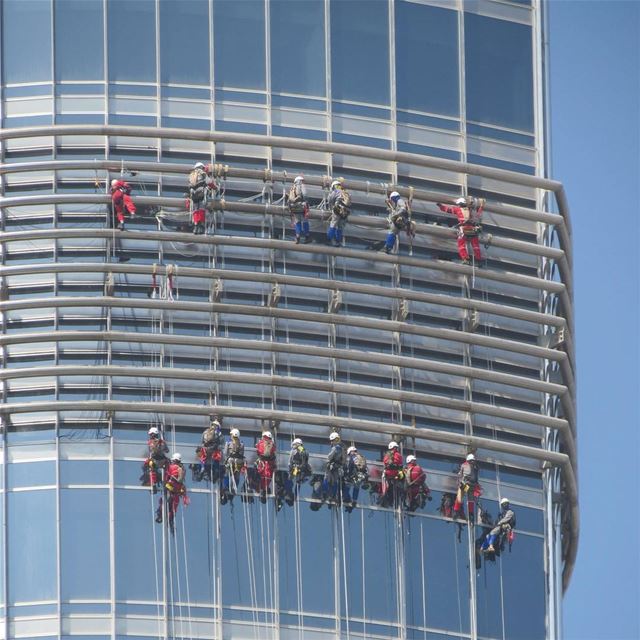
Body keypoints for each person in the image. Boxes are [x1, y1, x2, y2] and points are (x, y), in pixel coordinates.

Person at [437, 196, 485, 265]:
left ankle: (465, 259)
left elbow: (448, 209)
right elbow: (478, 215)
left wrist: (440, 206)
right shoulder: (470, 210)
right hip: (473, 230)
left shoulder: (458, 209)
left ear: (460, 204)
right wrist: (481, 206)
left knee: (461, 244)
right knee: (475, 245)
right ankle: (478, 259)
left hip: (464, 229)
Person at [155, 452, 189, 533]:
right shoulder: (179, 468)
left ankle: (164, 517)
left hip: (172, 488)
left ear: (175, 460)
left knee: (167, 503)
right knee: (169, 505)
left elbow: (178, 479)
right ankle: (166, 518)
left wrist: (172, 478)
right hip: (173, 489)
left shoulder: (177, 468)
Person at [188, 162, 217, 235]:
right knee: (201, 209)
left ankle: (196, 227)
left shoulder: (191, 175)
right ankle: (200, 226)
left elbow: (189, 186)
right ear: (201, 167)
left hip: (194, 196)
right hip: (201, 194)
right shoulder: (202, 173)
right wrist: (215, 187)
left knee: (196, 210)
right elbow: (209, 182)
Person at [193, 416, 223, 482]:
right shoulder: (219, 433)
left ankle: (202, 468)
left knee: (202, 458)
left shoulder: (206, 431)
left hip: (205, 449)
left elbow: (202, 440)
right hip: (214, 450)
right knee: (217, 458)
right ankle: (216, 471)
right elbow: (221, 442)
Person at [141, 426, 169, 493]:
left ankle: (155, 483)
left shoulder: (155, 442)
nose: (150, 436)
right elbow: (166, 450)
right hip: (160, 460)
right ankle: (158, 482)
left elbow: (164, 450)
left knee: (149, 467)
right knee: (148, 467)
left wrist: (160, 446)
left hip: (157, 460)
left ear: (153, 434)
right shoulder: (159, 442)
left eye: (151, 434)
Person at [221, 427, 245, 504]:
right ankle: (234, 488)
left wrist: (225, 461)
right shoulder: (241, 444)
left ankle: (225, 487)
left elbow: (225, 453)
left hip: (230, 461)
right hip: (239, 462)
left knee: (226, 475)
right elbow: (242, 454)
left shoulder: (228, 443)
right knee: (236, 476)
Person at [453, 453, 480, 520]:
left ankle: (456, 511)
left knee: (460, 497)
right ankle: (470, 514)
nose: (472, 462)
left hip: (467, 484)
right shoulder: (475, 467)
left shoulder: (464, 465)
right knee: (470, 500)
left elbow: (460, 475)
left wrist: (459, 483)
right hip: (472, 486)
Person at [321, 432, 346, 506]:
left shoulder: (335, 448)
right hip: (337, 467)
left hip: (332, 466)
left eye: (332, 441)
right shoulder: (342, 448)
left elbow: (329, 457)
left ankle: (325, 494)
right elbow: (343, 460)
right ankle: (333, 496)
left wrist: (327, 463)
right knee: (335, 481)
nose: (331, 442)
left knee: (326, 479)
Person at [285, 437, 311, 506]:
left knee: (292, 479)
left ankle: (291, 494)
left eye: (294, 445)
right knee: (297, 481)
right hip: (300, 468)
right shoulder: (303, 450)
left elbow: (290, 461)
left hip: (297, 468)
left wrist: (290, 469)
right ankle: (294, 495)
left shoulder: (298, 450)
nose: (293, 446)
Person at [326, 180, 351, 247]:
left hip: (337, 210)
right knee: (340, 227)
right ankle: (338, 241)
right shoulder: (345, 192)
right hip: (345, 212)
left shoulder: (336, 191)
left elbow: (330, 200)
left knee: (333, 225)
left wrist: (331, 208)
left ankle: (329, 239)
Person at [343, 445, 368, 513]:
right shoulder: (361, 457)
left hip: (354, 475)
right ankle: (354, 501)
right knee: (356, 488)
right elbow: (365, 467)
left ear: (350, 452)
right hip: (361, 475)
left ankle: (343, 498)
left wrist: (348, 475)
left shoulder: (353, 457)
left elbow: (350, 465)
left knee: (348, 486)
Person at [380, 441, 404, 508]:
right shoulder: (399, 455)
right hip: (396, 474)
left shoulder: (387, 454)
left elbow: (385, 462)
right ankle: (392, 501)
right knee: (395, 487)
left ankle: (385, 498)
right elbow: (401, 464)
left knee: (386, 487)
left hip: (388, 473)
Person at [255, 430, 277, 503]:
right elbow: (273, 453)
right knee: (266, 477)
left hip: (263, 462)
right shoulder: (272, 444)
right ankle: (264, 489)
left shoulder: (261, 443)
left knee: (264, 477)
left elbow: (258, 450)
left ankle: (263, 489)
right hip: (268, 463)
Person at [288, 175, 311, 244]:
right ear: (300, 181)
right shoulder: (301, 186)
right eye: (302, 181)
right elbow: (305, 195)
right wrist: (307, 202)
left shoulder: (292, 188)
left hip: (295, 207)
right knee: (305, 222)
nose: (303, 182)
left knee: (297, 222)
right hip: (302, 207)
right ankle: (307, 237)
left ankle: (297, 237)